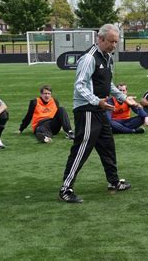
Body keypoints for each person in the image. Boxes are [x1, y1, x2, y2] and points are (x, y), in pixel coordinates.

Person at [58, 24, 137, 203]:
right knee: (82, 148)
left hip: (100, 108)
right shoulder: (89, 58)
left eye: (116, 42)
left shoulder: (108, 58)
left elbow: (108, 85)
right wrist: (97, 101)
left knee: (107, 146)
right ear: (100, 39)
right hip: (86, 109)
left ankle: (113, 182)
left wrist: (124, 98)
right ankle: (65, 189)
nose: (114, 45)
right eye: (111, 41)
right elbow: (80, 86)